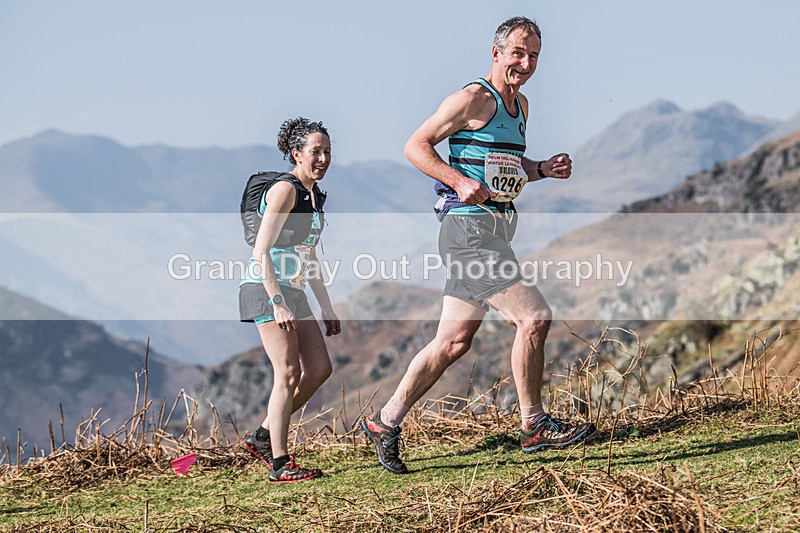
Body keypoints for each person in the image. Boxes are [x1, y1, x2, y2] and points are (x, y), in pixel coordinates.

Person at [361, 16, 595, 474]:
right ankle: (534, 425)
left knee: (452, 343)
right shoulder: (471, 98)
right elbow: (416, 145)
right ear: (496, 53)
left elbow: (504, 165)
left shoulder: (521, 106)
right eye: (517, 54)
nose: (525, 64)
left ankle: (384, 422)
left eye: (533, 57)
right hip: (467, 232)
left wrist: (542, 168)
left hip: (494, 232)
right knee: (534, 317)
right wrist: (456, 179)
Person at [239, 117, 341, 484]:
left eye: (328, 151)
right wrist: (277, 300)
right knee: (288, 372)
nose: (324, 158)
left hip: (294, 290)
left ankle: (264, 435)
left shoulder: (313, 195)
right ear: (297, 154)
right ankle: (280, 464)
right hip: (266, 290)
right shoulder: (285, 190)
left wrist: (326, 307)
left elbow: (309, 257)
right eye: (316, 151)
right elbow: (260, 250)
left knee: (318, 368)